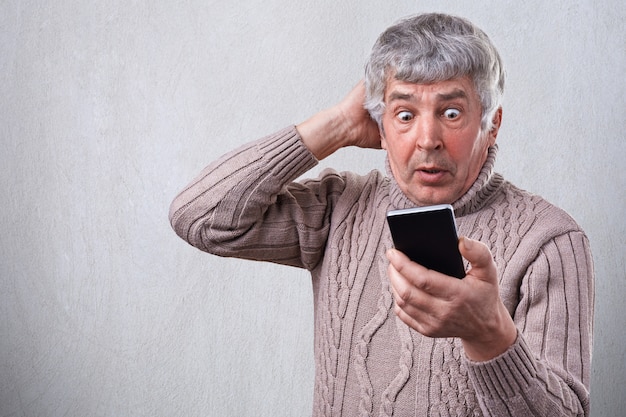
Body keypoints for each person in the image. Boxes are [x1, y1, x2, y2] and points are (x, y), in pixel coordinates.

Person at [169, 13, 594, 416]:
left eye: (451, 113)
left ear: (492, 122)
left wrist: (491, 336)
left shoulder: (551, 241)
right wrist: (336, 126)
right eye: (405, 114)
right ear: (380, 126)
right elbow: (199, 216)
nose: (428, 140)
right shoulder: (339, 208)